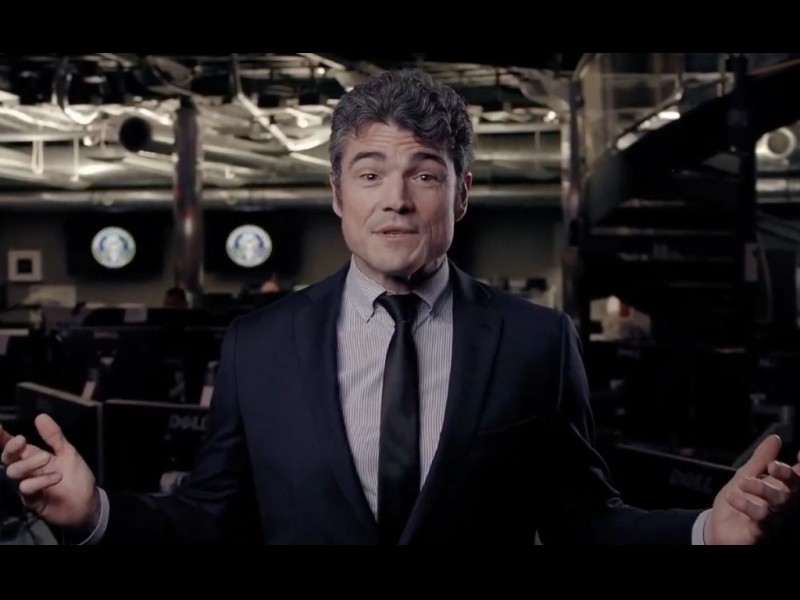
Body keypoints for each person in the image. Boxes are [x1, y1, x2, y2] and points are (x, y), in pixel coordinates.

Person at [2, 68, 799, 545]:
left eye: (424, 173)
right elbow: (210, 520)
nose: (397, 199)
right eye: (371, 172)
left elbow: (586, 521)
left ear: (462, 194)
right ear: (338, 195)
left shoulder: (537, 341)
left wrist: (707, 530)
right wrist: (96, 513)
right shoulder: (259, 345)